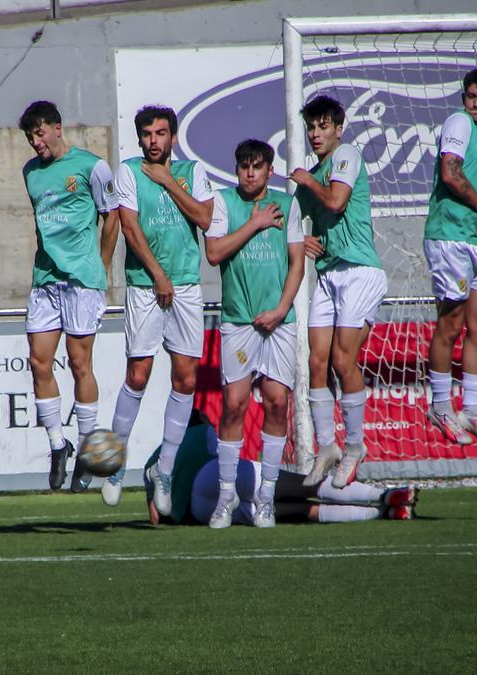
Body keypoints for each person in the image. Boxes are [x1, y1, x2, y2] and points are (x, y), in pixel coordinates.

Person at [107, 105, 214, 511]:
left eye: (162, 133)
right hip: (145, 286)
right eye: (148, 134)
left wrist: (169, 181)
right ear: (139, 138)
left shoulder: (191, 172)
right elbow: (130, 228)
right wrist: (157, 276)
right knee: (139, 373)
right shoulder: (129, 172)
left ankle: (164, 469)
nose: (155, 141)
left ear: (173, 136)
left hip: (186, 285)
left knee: (185, 380)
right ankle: (116, 463)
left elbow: (205, 218)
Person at [18, 101, 120, 492]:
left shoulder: (92, 167)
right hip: (45, 279)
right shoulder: (30, 172)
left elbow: (112, 216)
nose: (35, 142)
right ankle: (58, 445)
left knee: (80, 363)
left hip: (82, 281)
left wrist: (103, 267)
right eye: (30, 136)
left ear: (57, 128)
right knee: (38, 362)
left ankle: (91, 451)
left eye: (40, 133)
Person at [203, 139, 305, 529]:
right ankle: (226, 498)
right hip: (239, 320)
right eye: (244, 165)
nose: (249, 172)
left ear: (269, 169)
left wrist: (281, 309)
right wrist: (255, 223)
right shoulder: (224, 205)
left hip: (278, 321)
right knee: (235, 403)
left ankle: (267, 499)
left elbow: (297, 262)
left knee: (278, 402)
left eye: (257, 166)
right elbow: (214, 253)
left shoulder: (287, 203)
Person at [289, 95, 388, 488]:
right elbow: (293, 226)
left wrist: (307, 178)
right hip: (329, 276)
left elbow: (336, 199)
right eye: (311, 126)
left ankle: (355, 446)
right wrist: (302, 241)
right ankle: (326, 446)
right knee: (316, 362)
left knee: (344, 361)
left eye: (323, 126)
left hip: (360, 273)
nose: (315, 133)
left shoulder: (347, 154)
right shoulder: (312, 174)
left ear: (338, 128)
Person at [142, 411, 419, 526]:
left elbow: (156, 515)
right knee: (303, 486)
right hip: (210, 475)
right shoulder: (203, 430)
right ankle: (384, 496)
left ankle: (383, 513)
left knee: (299, 511)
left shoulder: (152, 461)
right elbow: (222, 458)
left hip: (198, 510)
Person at [423, 68, 477, 449]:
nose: (475, 103)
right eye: (470, 96)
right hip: (450, 238)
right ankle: (440, 406)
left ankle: (473, 410)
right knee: (451, 323)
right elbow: (451, 173)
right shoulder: (458, 123)